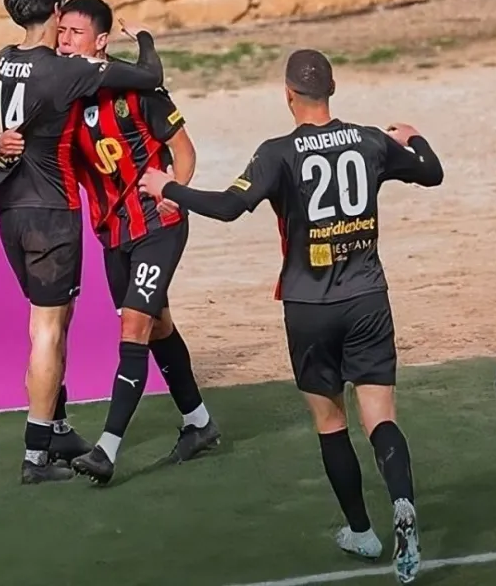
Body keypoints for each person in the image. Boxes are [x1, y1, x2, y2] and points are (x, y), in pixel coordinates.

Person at [138, 49, 444, 584]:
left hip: (309, 307)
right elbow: (432, 173)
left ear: (288, 95)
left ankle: (361, 532)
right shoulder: (371, 140)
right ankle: (402, 503)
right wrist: (413, 136)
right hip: (368, 298)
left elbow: (230, 208)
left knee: (331, 421)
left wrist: (168, 188)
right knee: (381, 416)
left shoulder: (277, 153)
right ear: (332, 90)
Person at [1, 0, 219, 485]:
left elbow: (184, 151)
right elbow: (29, 142)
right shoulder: (64, 93)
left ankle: (108, 449)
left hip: (157, 226)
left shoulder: (137, 91)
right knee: (157, 325)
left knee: (136, 328)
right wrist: (1, 143)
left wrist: (175, 197)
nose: (64, 41)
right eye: (61, 33)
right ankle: (199, 424)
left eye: (75, 34)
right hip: (112, 233)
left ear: (100, 41)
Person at [0, 0, 164, 484]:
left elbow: (12, 131)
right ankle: (36, 454)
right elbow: (149, 76)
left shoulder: (5, 61)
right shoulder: (66, 71)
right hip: (51, 213)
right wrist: (146, 40)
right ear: (56, 10)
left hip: (10, 210)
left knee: (53, 321)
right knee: (47, 330)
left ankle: (57, 426)